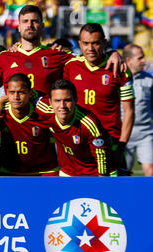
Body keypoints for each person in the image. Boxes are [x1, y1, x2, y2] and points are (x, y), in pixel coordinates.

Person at [0, 5, 124, 97]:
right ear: (18, 27)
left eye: (34, 21)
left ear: (42, 26)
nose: (29, 25)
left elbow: (90, 57)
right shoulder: (4, 57)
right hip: (10, 131)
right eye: (25, 21)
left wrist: (112, 53)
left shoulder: (58, 55)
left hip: (47, 131)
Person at [63, 23, 135, 175]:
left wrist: (122, 145)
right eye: (86, 43)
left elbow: (129, 112)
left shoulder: (120, 69)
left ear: (104, 43)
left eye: (95, 43)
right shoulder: (70, 66)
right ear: (80, 44)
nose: (90, 48)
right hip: (78, 142)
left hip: (111, 142)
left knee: (110, 194)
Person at [0, 73, 58, 176]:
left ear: (30, 93)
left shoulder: (43, 110)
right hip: (9, 172)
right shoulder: (0, 110)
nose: (16, 97)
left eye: (21, 92)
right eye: (12, 92)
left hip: (44, 172)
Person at [36, 79, 110, 176]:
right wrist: (8, 99)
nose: (62, 106)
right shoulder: (45, 111)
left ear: (75, 100)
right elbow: (29, 93)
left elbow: (101, 155)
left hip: (92, 175)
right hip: (66, 173)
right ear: (50, 102)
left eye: (67, 100)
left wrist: (102, 179)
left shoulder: (89, 124)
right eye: (57, 101)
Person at [122, 44, 153, 176]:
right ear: (128, 60)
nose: (143, 61)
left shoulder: (149, 80)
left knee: (150, 170)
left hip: (145, 133)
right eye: (140, 58)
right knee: (123, 173)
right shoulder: (118, 78)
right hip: (123, 134)